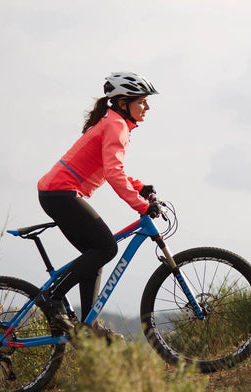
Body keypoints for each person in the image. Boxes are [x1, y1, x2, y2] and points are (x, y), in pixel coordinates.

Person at [36, 71, 160, 334]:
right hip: (61, 192)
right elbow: (113, 173)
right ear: (124, 103)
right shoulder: (116, 126)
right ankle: (52, 298)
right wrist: (142, 205)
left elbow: (109, 167)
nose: (147, 107)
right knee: (106, 248)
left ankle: (88, 325)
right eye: (142, 102)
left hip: (57, 193)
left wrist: (139, 187)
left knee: (96, 254)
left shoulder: (113, 122)